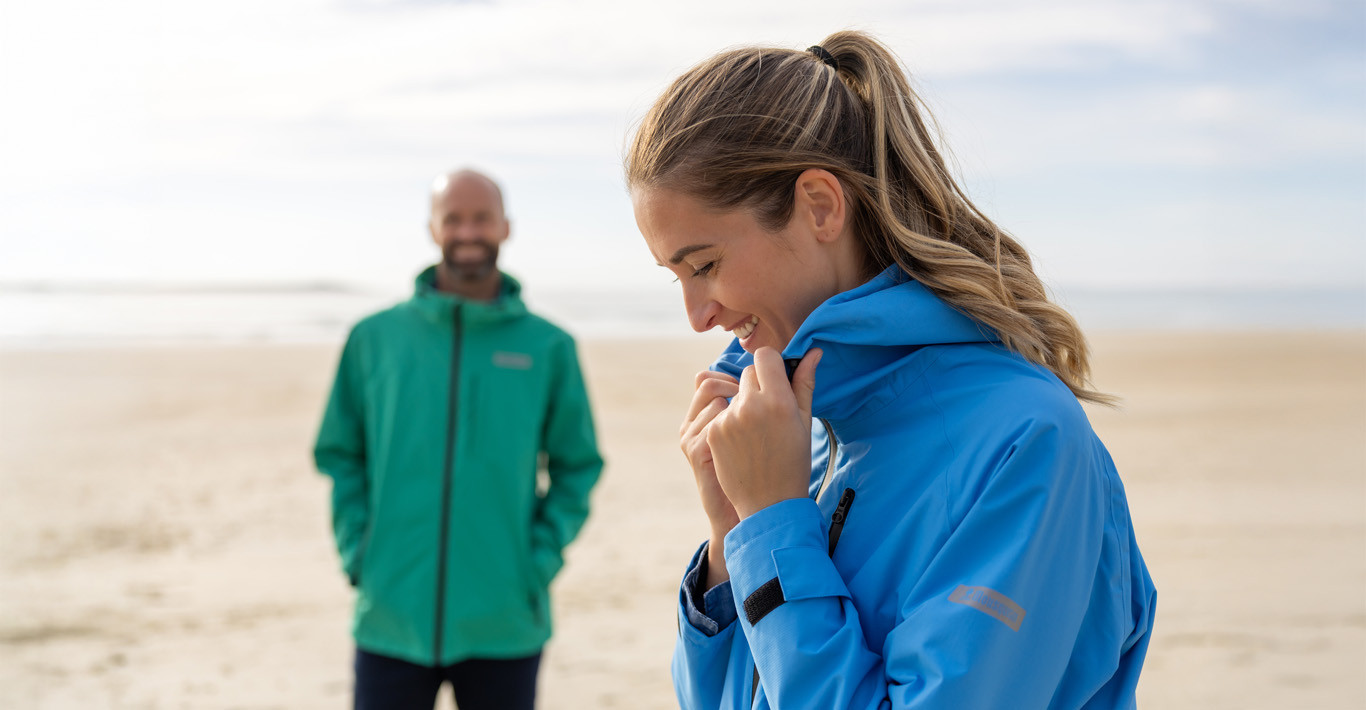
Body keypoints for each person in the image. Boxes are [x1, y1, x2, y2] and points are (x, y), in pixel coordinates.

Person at [626, 31, 1156, 709]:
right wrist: (732, 539)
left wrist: (775, 524)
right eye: (676, 277)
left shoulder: (1028, 443)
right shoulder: (809, 431)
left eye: (704, 266)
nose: (698, 316)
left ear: (820, 205)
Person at [314, 169, 604, 710]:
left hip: (506, 620)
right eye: (453, 218)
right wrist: (360, 553)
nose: (467, 232)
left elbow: (577, 466)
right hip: (389, 616)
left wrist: (534, 563)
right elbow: (339, 454)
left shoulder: (549, 346)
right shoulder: (372, 339)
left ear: (505, 228)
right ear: (432, 228)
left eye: (481, 218)